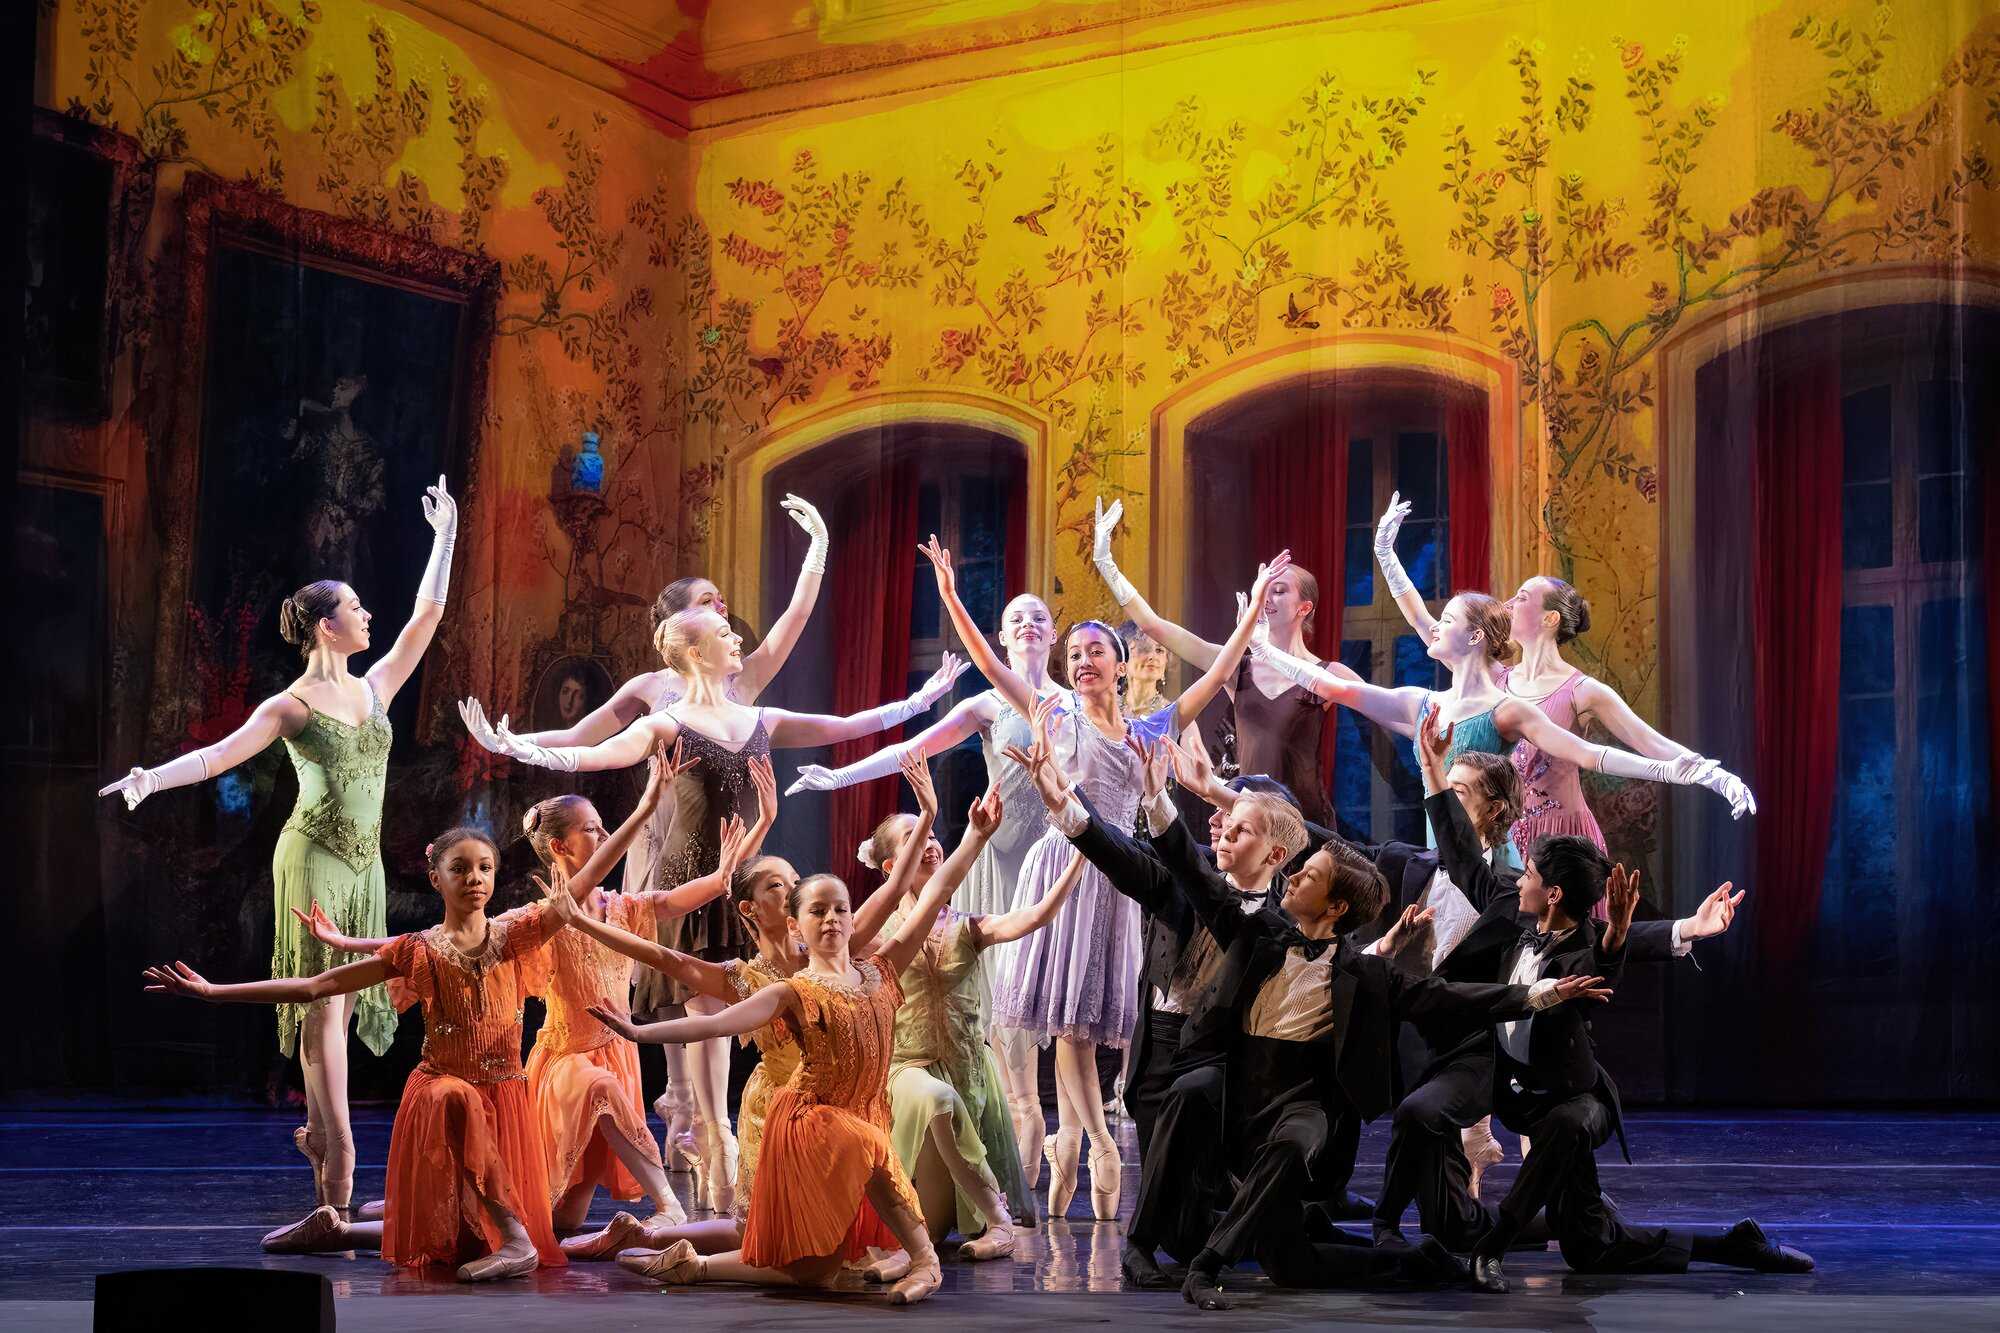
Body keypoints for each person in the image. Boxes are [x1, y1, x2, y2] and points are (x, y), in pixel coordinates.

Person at [1034, 731, 1607, 1305]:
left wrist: (1534, 995)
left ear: (1333, 908)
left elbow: (1451, 998)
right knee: (1192, 1097)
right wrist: (1153, 800)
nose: (1299, 876)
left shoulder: (1361, 968)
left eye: (1309, 876)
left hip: (1298, 1102)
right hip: (1237, 1089)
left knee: (1292, 1250)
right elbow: (1190, 873)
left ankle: (1365, 1259)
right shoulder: (1258, 931)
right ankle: (1150, 1244)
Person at [459, 607, 963, 1215]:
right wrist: (515, 747)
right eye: (725, 635)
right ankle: (716, 1146)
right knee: (706, 1007)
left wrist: (922, 699)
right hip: (687, 879)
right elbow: (595, 754)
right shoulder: (667, 723)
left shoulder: (759, 718)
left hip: (739, 867)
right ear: (697, 653)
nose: (738, 640)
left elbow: (845, 725)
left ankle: (733, 1142)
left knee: (750, 1009)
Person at [102, 476, 457, 1222]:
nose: (369, 614)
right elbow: (219, 755)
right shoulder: (290, 704)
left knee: (336, 1002)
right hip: (314, 856)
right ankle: (338, 1167)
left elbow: (427, 616)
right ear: (328, 627)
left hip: (362, 863)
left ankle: (325, 1147)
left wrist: (444, 534)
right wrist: (147, 778)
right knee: (322, 1007)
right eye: (356, 607)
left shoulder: (377, 688)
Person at [923, 534, 1289, 1219]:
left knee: (1087, 1024)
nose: (1082, 661)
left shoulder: (1151, 727)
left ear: (1120, 665)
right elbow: (987, 665)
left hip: (1124, 880)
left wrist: (1245, 620)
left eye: (1095, 651)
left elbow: (1215, 679)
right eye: (1075, 654)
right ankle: (1092, 1142)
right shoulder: (1052, 711)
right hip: (1063, 868)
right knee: (1067, 1021)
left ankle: (1081, 1141)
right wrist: (948, 594)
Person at [585, 776, 1015, 1306]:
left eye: (839, 909)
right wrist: (640, 1030)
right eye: (816, 911)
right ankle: (926, 1260)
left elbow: (935, 892)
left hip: (860, 1110)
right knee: (858, 1147)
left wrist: (970, 835)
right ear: (796, 924)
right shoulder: (792, 989)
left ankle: (690, 1266)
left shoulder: (880, 969)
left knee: (817, 1267)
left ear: (853, 916)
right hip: (810, 1120)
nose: (831, 918)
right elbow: (713, 1021)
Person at [507, 495, 828, 1179]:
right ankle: (684, 1108)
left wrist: (815, 555)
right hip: (661, 840)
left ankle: (703, 1117)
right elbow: (581, 739)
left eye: (721, 604)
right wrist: (512, 743)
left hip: (728, 844)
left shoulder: (741, 681)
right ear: (679, 619)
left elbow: (793, 623)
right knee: (668, 975)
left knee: (712, 979)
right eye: (707, 602)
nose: (722, 612)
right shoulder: (654, 685)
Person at [1371, 711, 1745, 1247]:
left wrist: (1690, 927)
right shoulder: (1488, 890)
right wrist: (1430, 768)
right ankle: (1535, 1225)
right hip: (1450, 1048)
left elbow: (1605, 939)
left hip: (1502, 1060)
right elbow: (1454, 847)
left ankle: (1440, 1232)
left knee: (1580, 1237)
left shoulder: (1516, 897)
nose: (1524, 869)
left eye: (1531, 872)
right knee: (1453, 1223)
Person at [557, 750, 942, 1269]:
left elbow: (894, 890)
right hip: (780, 1108)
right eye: (775, 885)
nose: (790, 892)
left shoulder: (829, 954)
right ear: (750, 908)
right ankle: (646, 1242)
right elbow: (665, 957)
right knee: (760, 1229)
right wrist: (583, 924)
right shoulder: (745, 979)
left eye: (792, 883)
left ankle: (646, 1240)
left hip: (840, 1107)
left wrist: (928, 816)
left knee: (817, 1231)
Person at [143, 828, 572, 1281]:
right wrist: (214, 992)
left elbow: (585, 880)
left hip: (502, 1095)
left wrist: (647, 805)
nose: (474, 878)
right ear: (435, 879)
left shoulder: (514, 936)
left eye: (485, 868)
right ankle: (517, 1241)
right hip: (442, 1089)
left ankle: (338, 1231)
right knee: (453, 1096)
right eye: (459, 869)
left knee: (460, 1238)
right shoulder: (418, 948)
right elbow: (317, 986)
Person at [1439, 815, 1814, 1291]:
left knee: (1567, 1125)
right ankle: (1733, 1244)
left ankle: (1491, 1248)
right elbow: (1466, 859)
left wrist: (1624, 931)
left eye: (1529, 873)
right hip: (1522, 1099)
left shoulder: (1584, 948)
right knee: (1591, 1248)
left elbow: (1606, 958)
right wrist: (1432, 776)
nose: (1520, 879)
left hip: (1579, 1100)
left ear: (1554, 893)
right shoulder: (1513, 918)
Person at [785, 590, 1066, 1171]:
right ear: (1003, 638)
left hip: (1063, 857)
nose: (1030, 625)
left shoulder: (1074, 704)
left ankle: (1066, 1154)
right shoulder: (988, 707)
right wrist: (838, 778)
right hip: (1003, 866)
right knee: (1007, 1021)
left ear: (1053, 636)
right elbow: (910, 751)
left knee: (1068, 1022)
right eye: (1017, 619)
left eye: (1039, 617)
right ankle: (1019, 1167)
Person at [1373, 494, 1758, 857]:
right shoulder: (1496, 681)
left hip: (1561, 836)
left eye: (1521, 598)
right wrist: (1387, 556)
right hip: (1503, 836)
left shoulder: (1584, 691)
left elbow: (1650, 743)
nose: (1507, 603)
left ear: (1550, 619)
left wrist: (1713, 776)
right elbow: (1425, 622)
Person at [865, 794, 1088, 1256]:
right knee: (917, 1206)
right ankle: (968, 1225)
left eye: (932, 837)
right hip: (905, 1069)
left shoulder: (966, 926)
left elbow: (1035, 915)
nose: (930, 844)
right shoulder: (875, 936)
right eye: (915, 839)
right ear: (891, 866)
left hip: (966, 1069)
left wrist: (1083, 859)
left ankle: (989, 1223)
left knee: (946, 1222)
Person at [1091, 498, 1361, 827]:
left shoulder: (1328, 674)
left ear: (1304, 608)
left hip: (1308, 825)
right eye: (1264, 589)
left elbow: (1388, 713)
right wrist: (1107, 563)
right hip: (1249, 823)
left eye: (1278, 591)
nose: (1266, 597)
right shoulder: (1237, 668)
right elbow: (1154, 626)